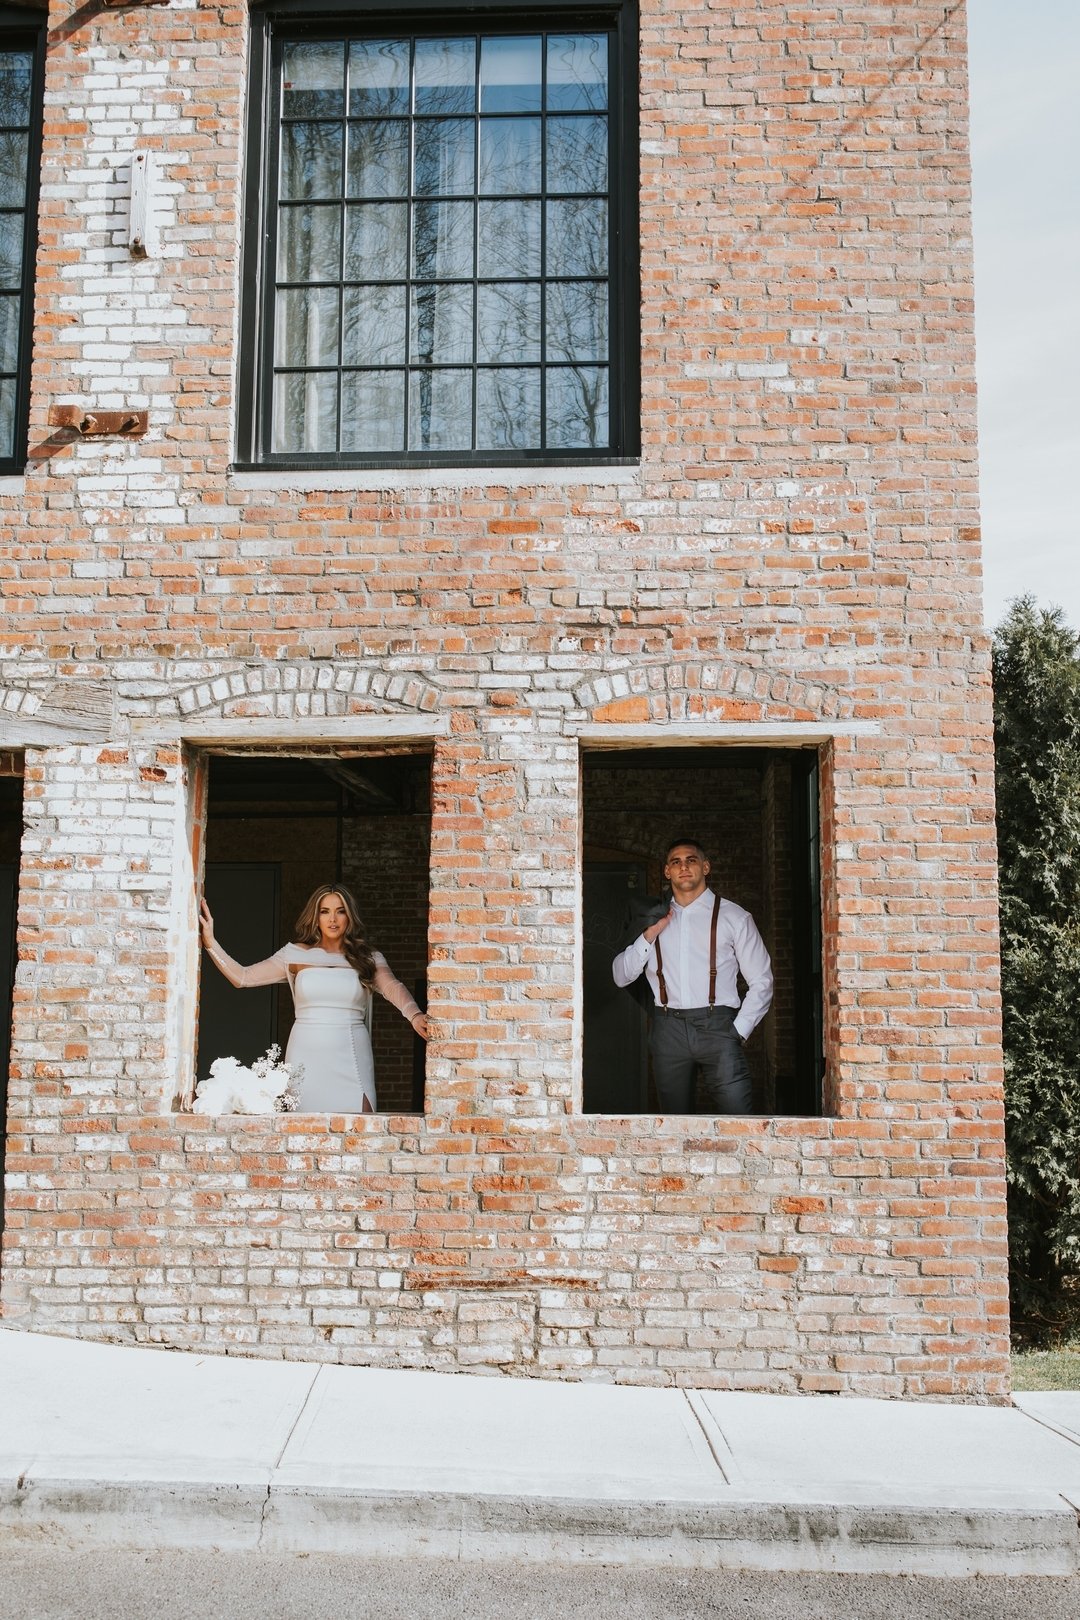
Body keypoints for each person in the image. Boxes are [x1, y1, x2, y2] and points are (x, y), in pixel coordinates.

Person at [199, 883, 428, 1114]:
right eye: (324, 911)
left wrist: (415, 1015)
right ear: (315, 916)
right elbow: (243, 977)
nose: (333, 919)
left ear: (350, 916)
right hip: (305, 1052)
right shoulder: (294, 954)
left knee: (360, 1124)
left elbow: (392, 987)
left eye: (340, 911)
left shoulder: (367, 957)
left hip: (350, 1052)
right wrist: (211, 943)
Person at [611, 839, 772, 1115]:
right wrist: (650, 934)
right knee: (673, 1125)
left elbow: (762, 981)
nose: (683, 866)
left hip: (719, 1027)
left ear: (706, 867)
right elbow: (620, 976)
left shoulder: (734, 917)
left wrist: (738, 1031)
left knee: (739, 1120)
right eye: (676, 861)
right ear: (667, 872)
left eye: (691, 860)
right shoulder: (650, 918)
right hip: (667, 1029)